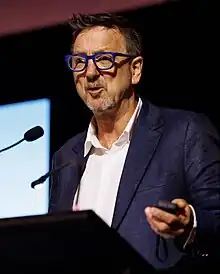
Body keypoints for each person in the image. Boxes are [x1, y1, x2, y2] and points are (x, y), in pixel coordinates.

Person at [48, 13, 220, 271]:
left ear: (135, 69)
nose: (90, 73)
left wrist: (190, 225)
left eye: (104, 60)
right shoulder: (65, 158)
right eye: (79, 62)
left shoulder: (185, 132)